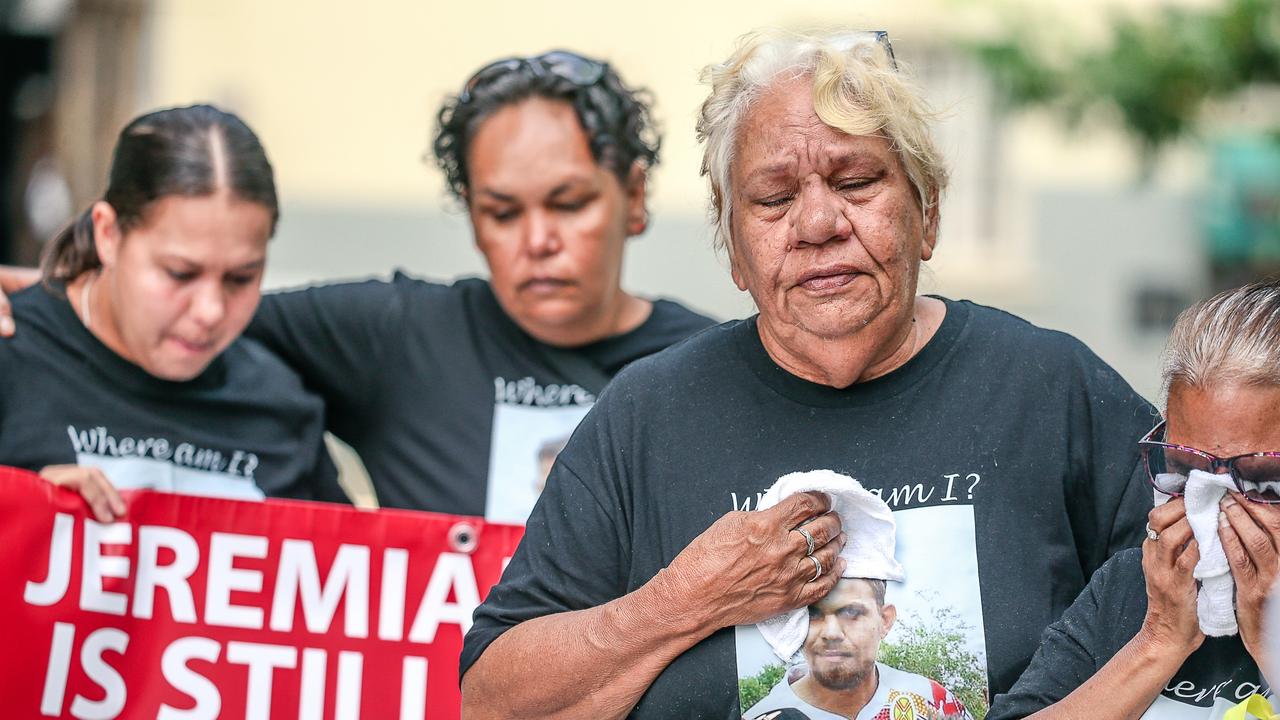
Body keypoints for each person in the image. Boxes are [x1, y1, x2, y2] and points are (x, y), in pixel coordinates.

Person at [458, 28, 1157, 718]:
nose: (819, 222)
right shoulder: (647, 416)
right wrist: (686, 600)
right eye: (773, 198)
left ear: (928, 215)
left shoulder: (1050, 388)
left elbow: (1203, 627)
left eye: (856, 182)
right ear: (734, 251)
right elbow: (493, 702)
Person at [0, 51, 714, 520]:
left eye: (568, 203)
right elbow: (140, 318)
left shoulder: (711, 367)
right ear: (470, 215)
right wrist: (41, 300)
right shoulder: (395, 333)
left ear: (635, 196)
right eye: (501, 211)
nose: (538, 240)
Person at [0, 104, 345, 521]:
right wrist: (21, 516)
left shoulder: (278, 405)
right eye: (180, 274)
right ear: (108, 234)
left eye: (241, 278)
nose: (210, 311)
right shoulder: (13, 358)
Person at [986, 279, 1280, 720]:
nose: (1214, 506)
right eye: (1186, 471)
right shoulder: (1133, 588)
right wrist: (1157, 641)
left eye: (1261, 480)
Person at [746, 578, 971, 720]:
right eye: (812, 615)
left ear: (885, 620)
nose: (831, 632)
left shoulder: (930, 698)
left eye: (851, 612)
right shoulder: (764, 715)